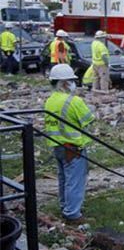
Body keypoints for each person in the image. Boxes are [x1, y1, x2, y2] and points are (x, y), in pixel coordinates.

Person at [43, 64, 94, 223]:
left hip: (57, 146)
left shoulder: (50, 101)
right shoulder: (74, 101)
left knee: (64, 178)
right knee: (75, 181)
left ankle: (65, 205)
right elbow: (88, 119)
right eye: (72, 81)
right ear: (64, 83)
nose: (74, 84)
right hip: (73, 147)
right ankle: (72, 214)